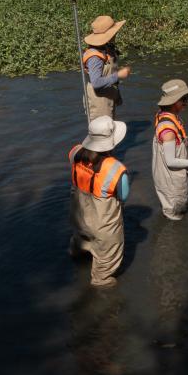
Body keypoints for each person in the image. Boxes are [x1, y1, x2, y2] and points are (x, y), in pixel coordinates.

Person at [68, 115, 129, 288]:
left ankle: (76, 253)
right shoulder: (116, 169)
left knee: (80, 237)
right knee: (107, 256)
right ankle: (100, 281)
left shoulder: (75, 153)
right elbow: (123, 196)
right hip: (103, 223)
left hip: (79, 214)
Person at [152, 79, 188, 221]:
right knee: (175, 215)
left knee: (171, 208)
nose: (187, 102)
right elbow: (171, 161)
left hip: (167, 176)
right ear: (174, 102)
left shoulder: (165, 115)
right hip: (171, 181)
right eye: (184, 99)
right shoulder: (168, 131)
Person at [82, 15, 131, 120]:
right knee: (104, 133)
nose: (116, 34)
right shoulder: (94, 57)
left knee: (110, 129)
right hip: (99, 102)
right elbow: (96, 83)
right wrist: (118, 75)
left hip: (107, 97)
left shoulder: (105, 48)